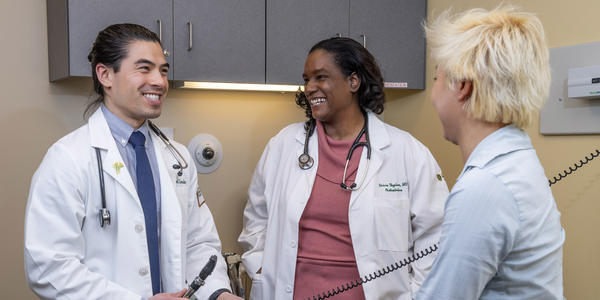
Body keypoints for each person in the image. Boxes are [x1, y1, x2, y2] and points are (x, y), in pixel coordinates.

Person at [24, 23, 242, 300]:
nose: (160, 82)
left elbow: (198, 242)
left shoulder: (178, 158)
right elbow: (48, 267)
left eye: (163, 70)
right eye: (144, 68)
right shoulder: (67, 159)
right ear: (105, 74)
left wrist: (219, 293)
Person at [238, 37, 448, 300]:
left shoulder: (406, 152)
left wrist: (417, 293)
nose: (310, 88)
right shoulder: (283, 145)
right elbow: (256, 220)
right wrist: (259, 268)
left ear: (353, 81)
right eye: (306, 79)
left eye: (321, 77)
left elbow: (437, 235)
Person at [416, 6, 565, 300]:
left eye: (436, 78)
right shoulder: (518, 161)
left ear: (462, 86)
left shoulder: (485, 187)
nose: (433, 94)